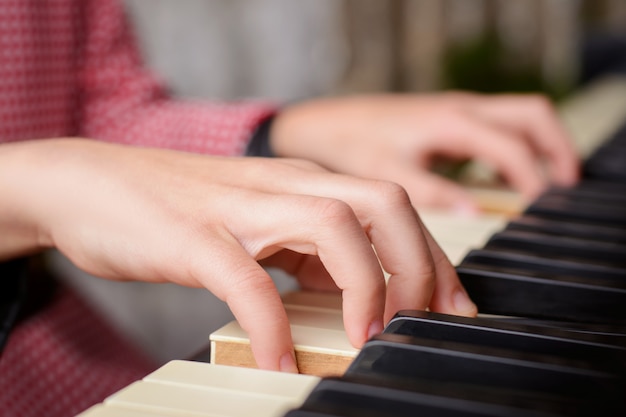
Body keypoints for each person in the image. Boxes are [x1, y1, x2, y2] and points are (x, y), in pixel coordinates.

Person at [0, 0, 580, 416]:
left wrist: (289, 133)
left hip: (62, 362)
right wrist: (39, 185)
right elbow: (70, 171)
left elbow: (98, 113)